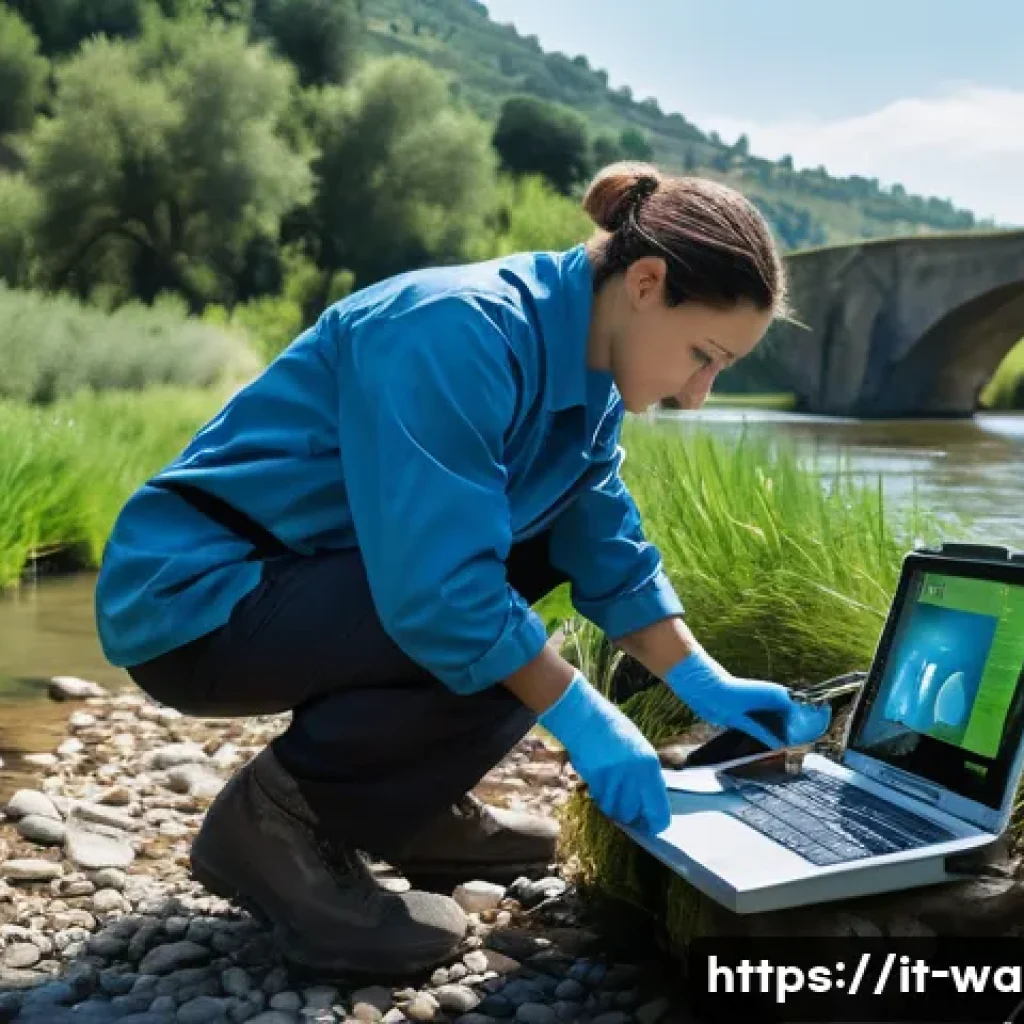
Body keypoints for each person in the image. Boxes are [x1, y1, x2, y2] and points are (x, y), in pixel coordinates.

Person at [94, 161, 830, 976]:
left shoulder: (590, 377)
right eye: (703, 355)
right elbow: (444, 595)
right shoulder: (455, 329)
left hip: (309, 581)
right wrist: (589, 726)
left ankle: (408, 810)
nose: (698, 395)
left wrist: (708, 685)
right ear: (647, 283)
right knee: (486, 616)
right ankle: (274, 826)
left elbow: (602, 549)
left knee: (522, 588)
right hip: (200, 598)